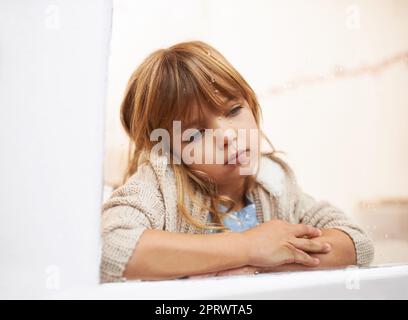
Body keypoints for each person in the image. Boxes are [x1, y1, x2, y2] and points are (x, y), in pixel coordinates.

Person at [100, 41, 374, 283]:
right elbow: (110, 247)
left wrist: (262, 264)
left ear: (251, 103)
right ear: (169, 150)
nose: (228, 136)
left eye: (233, 110)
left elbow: (356, 243)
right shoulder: (162, 185)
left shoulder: (273, 185)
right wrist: (248, 247)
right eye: (195, 134)